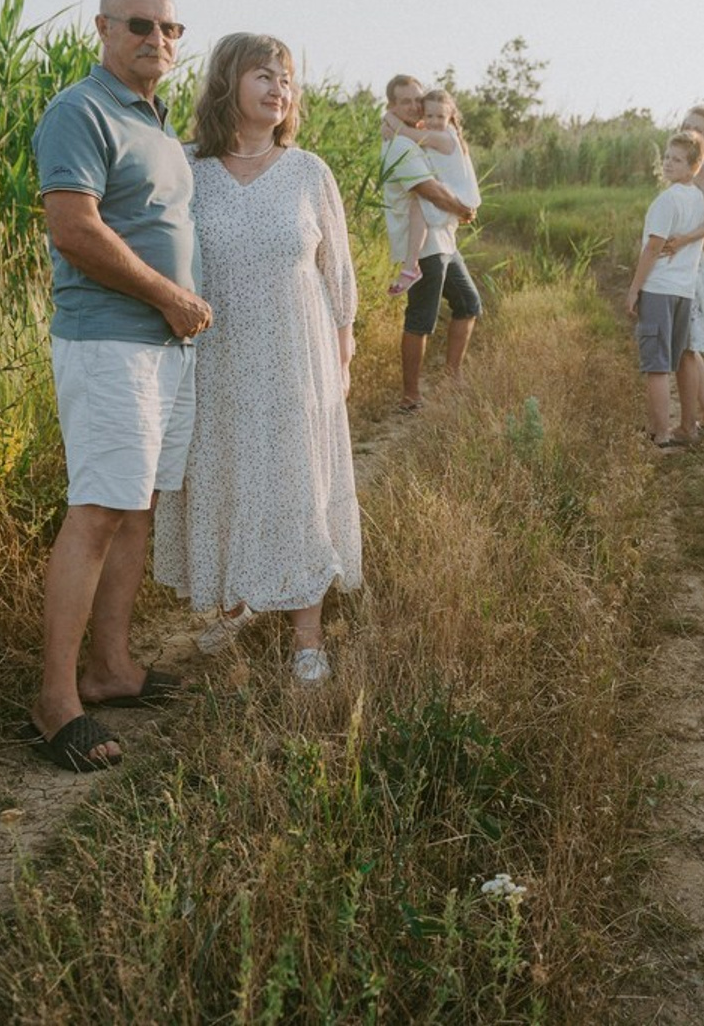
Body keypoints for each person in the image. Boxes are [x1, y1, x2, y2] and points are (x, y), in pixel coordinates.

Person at [25, 0, 210, 772]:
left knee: (137, 511)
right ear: (102, 27)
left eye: (171, 29)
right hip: (112, 345)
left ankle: (112, 670)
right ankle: (55, 701)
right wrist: (171, 297)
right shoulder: (81, 110)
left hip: (162, 349)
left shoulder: (156, 121)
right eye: (141, 25)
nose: (158, 40)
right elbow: (74, 229)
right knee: (99, 511)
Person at [154, 34, 361, 684]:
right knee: (229, 474)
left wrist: (343, 351)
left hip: (297, 356)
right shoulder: (188, 167)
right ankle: (239, 600)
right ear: (228, 83)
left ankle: (307, 636)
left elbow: (338, 274)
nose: (279, 90)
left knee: (298, 482)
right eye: (264, 76)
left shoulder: (308, 172)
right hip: (217, 357)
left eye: (287, 79)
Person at [380, 75, 481, 412]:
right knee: (421, 318)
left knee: (468, 303)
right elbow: (429, 190)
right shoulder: (398, 145)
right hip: (423, 245)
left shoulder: (417, 137)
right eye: (405, 101)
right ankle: (410, 397)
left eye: (417, 99)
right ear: (392, 106)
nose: (414, 106)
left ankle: (453, 379)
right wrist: (463, 208)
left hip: (443, 240)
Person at [626, 131, 704, 447]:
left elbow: (652, 248)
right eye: (666, 157)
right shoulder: (700, 201)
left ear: (693, 167)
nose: (668, 163)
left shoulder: (667, 199)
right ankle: (685, 427)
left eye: (676, 160)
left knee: (657, 366)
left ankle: (661, 435)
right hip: (684, 291)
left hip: (660, 288)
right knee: (671, 360)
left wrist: (634, 289)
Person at [661, 104, 704, 435]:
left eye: (698, 128)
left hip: (693, 268)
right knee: (687, 347)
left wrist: (684, 238)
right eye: (686, 125)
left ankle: (693, 424)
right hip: (679, 264)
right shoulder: (682, 170)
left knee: (687, 348)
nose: (690, 131)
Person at [385, 87, 482, 295]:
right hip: (456, 194)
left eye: (440, 116)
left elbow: (407, 133)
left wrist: (388, 119)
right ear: (423, 115)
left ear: (451, 117)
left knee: (417, 204)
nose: (435, 121)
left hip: (459, 196)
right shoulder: (437, 133)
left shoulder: (443, 137)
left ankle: (410, 266)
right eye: (429, 115)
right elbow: (415, 133)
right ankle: (411, 266)